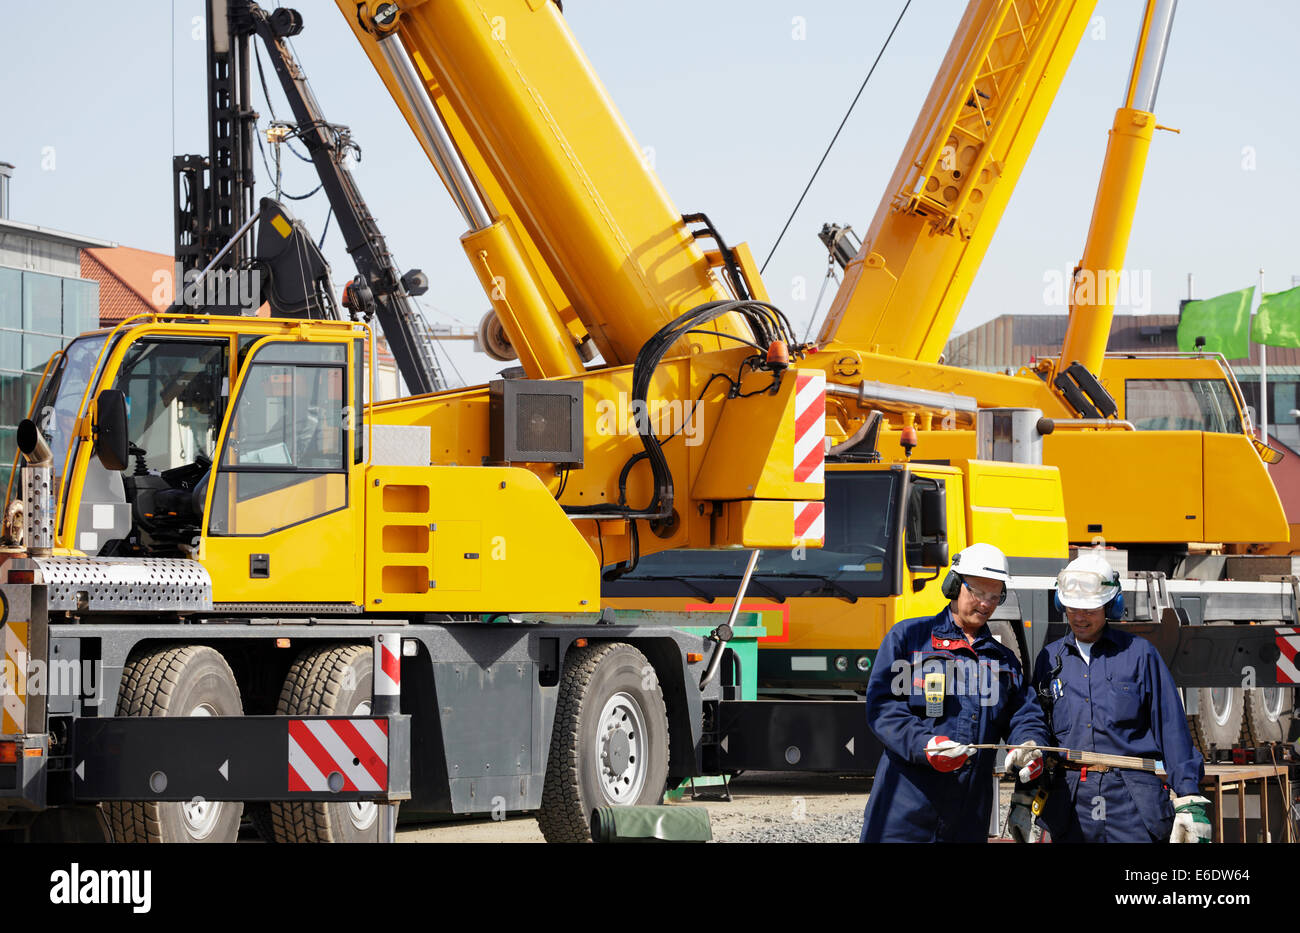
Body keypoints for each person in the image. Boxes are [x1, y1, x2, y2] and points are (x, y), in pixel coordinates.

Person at [860, 542, 1049, 842]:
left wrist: (1028, 743)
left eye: (994, 595)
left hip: (966, 819)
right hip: (903, 814)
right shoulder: (909, 639)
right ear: (954, 585)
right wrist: (925, 744)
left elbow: (1024, 715)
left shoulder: (1003, 660)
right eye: (977, 592)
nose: (986, 604)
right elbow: (884, 708)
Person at [1025, 550, 1210, 843]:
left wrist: (1188, 797)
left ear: (1111, 606)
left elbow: (1171, 726)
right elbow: (1035, 722)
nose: (1080, 617)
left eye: (1089, 610)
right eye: (1073, 609)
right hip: (1071, 804)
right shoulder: (1049, 659)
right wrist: (1026, 784)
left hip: (1133, 804)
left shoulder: (1139, 655)